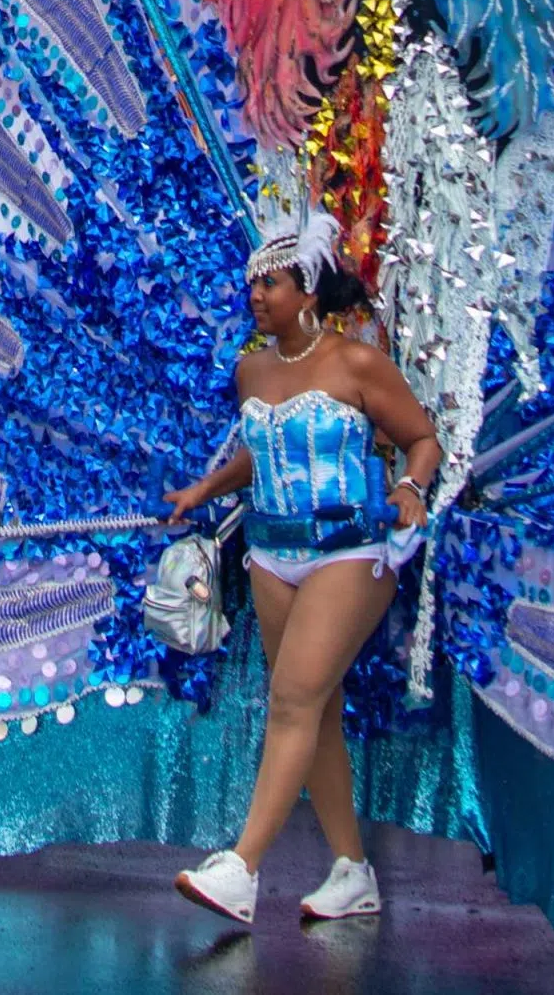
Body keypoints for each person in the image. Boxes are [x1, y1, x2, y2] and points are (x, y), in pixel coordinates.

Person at [158, 220, 442, 929]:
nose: (256, 294)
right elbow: (263, 447)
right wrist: (205, 489)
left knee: (291, 701)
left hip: (349, 549)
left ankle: (243, 867)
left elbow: (422, 438)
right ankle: (352, 870)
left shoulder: (357, 363)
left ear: (308, 292)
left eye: (271, 283)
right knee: (309, 712)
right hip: (270, 552)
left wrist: (410, 488)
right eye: (253, 282)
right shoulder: (252, 370)